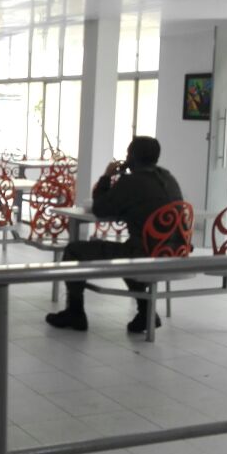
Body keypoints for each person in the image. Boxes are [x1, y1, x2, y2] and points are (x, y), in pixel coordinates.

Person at [45, 136, 184, 334]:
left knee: (74, 250)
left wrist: (107, 176)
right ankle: (146, 312)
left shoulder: (132, 182)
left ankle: (75, 313)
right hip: (173, 252)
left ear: (132, 157)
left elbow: (100, 208)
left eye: (128, 154)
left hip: (144, 254)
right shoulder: (169, 178)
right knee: (131, 250)